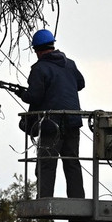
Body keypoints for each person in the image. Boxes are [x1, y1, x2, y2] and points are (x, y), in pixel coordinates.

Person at [20, 29, 86, 199]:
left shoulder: (39, 68)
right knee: (72, 162)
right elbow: (80, 84)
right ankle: (77, 199)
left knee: (47, 164)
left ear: (38, 50)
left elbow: (34, 96)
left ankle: (44, 199)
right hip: (72, 122)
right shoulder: (70, 64)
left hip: (51, 125)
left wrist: (22, 94)